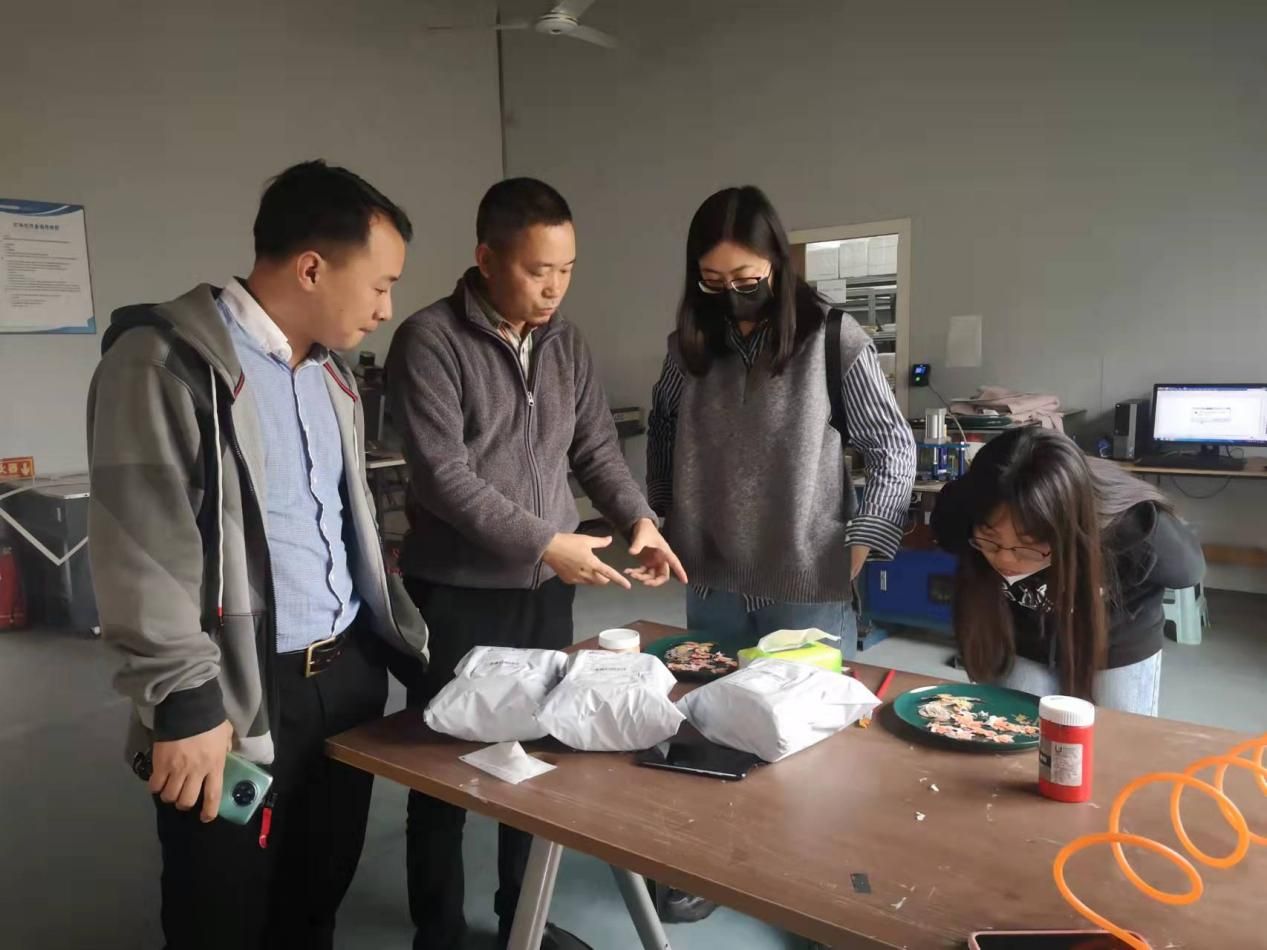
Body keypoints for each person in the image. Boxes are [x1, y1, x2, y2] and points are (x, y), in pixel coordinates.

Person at [86, 160, 429, 950]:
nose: (386, 308)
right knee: (221, 911)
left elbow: (346, 531)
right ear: (311, 268)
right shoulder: (165, 364)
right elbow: (140, 546)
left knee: (316, 897)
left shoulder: (332, 379)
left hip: (343, 680)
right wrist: (184, 701)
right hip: (235, 691)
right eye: (380, 285)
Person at [385, 177, 685, 950]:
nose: (553, 288)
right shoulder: (429, 340)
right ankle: (438, 931)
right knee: (443, 763)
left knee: (536, 751)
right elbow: (443, 477)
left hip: (543, 591)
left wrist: (639, 521)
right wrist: (547, 541)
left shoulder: (564, 342)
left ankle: (521, 914)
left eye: (566, 270)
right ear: (486, 259)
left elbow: (594, 448)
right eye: (536, 270)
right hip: (455, 591)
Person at [647, 186, 917, 659]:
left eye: (745, 279)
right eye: (713, 281)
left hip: (805, 579)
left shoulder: (833, 339)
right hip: (710, 578)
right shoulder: (689, 348)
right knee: (717, 698)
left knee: (806, 704)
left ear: (776, 261)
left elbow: (892, 446)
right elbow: (664, 424)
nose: (732, 293)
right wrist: (665, 513)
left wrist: (865, 536)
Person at [930, 426, 1205, 714]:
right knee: (1012, 724)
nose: (1006, 560)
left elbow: (1189, 570)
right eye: (991, 541)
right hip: (1024, 633)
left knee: (1115, 731)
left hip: (1115, 637)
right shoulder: (960, 511)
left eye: (1027, 547)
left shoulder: (1134, 531)